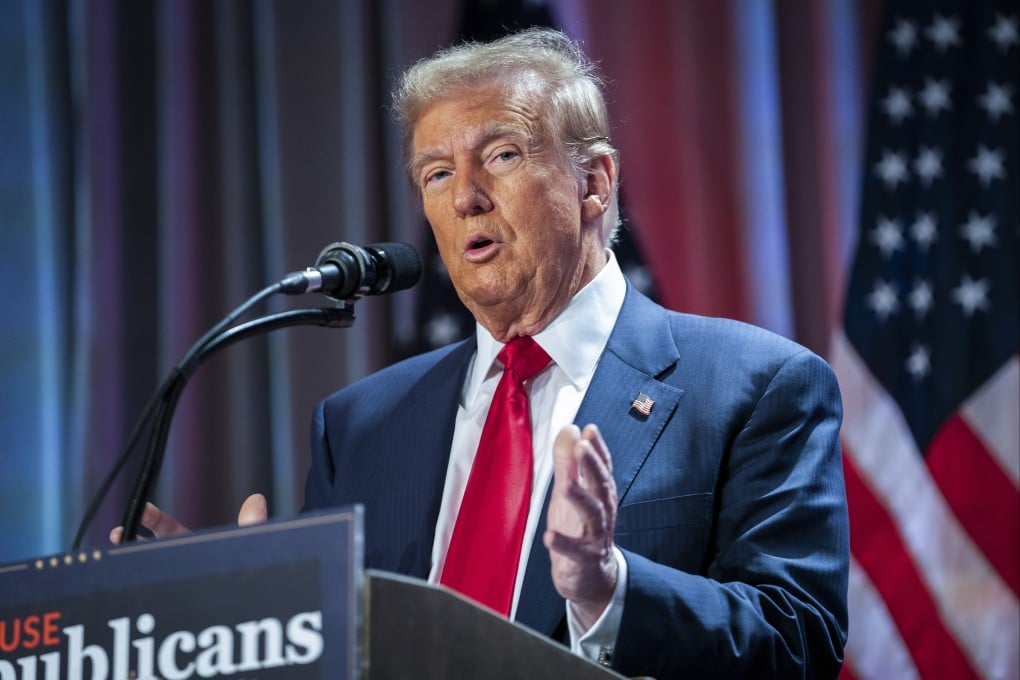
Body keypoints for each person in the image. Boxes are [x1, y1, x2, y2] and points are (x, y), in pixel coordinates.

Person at [117, 28, 849, 678]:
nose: (466, 196)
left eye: (501, 154)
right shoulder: (360, 424)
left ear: (593, 183)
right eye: (436, 174)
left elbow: (799, 641)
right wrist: (253, 614)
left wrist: (607, 587)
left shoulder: (755, 387)